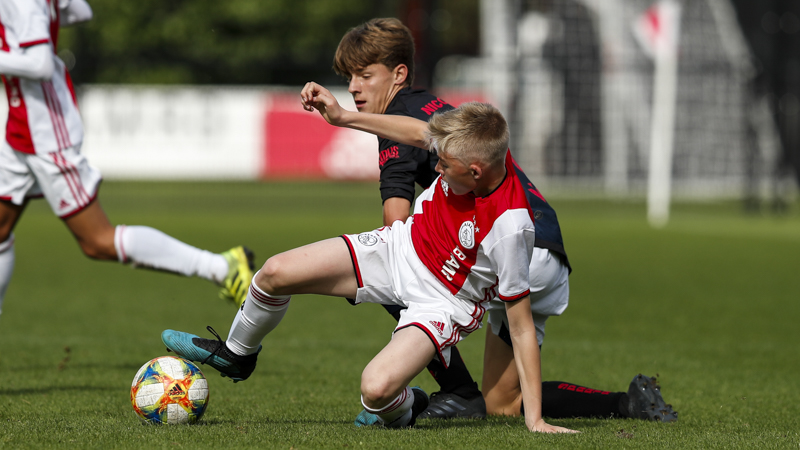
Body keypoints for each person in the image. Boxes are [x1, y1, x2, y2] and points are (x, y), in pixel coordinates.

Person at [162, 89, 579, 433]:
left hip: (443, 302)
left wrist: (535, 420)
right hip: (396, 249)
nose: (435, 168)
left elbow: (520, 326)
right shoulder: (465, 147)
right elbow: (416, 132)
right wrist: (343, 116)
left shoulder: (511, 226)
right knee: (273, 273)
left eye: (444, 165)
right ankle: (237, 354)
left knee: (376, 390)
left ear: (475, 172)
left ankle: (404, 408)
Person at [329, 18, 677, 423]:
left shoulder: (396, 125)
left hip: (510, 244)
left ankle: (457, 391)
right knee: (503, 402)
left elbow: (395, 229)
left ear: (398, 74)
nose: (353, 87)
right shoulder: (433, 106)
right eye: (349, 77)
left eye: (364, 75)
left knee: (390, 272)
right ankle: (626, 403)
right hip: (546, 248)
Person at [0, 0, 254, 318]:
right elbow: (80, 11)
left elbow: (39, 65)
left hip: (46, 129)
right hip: (22, 126)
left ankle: (220, 267)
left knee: (97, 241)